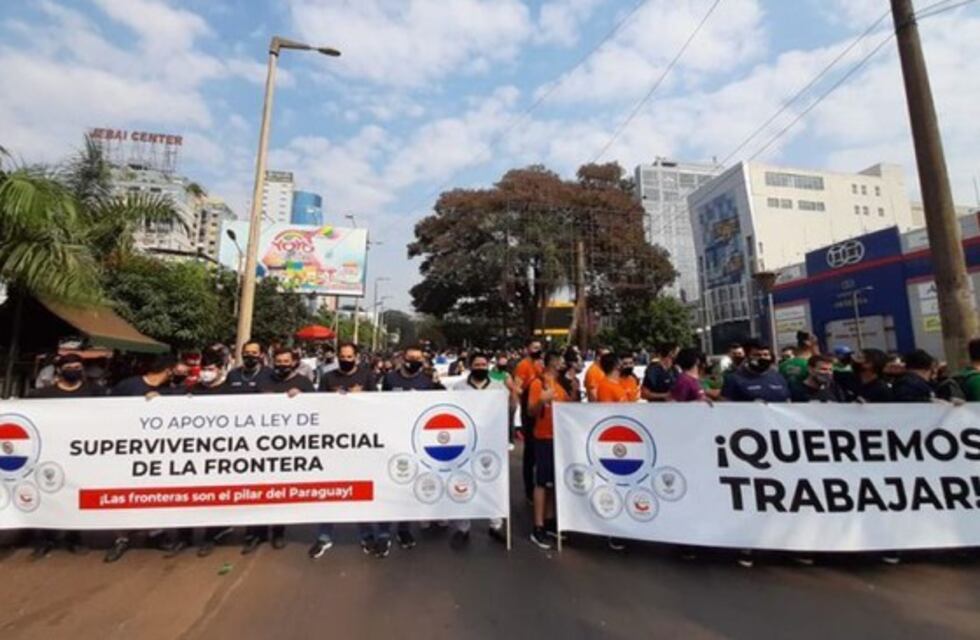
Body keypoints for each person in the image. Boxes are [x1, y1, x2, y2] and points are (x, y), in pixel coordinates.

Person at [104, 354, 180, 563]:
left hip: (154, 452)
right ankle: (121, 538)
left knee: (152, 493)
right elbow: (105, 411)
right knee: (122, 494)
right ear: (167, 370)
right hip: (125, 449)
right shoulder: (128, 386)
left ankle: (155, 533)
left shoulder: (169, 392)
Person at [241, 348, 315, 555]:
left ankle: (278, 531)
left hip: (290, 445)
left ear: (294, 362)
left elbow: (318, 409)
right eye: (279, 361)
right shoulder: (263, 381)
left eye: (286, 361)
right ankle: (255, 532)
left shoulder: (303, 383)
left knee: (280, 491)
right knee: (258, 490)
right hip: (262, 444)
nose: (282, 364)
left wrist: (302, 398)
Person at [309, 342, 377, 559]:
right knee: (328, 489)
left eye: (349, 356)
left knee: (360, 490)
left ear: (356, 357)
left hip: (360, 441)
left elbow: (378, 404)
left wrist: (360, 395)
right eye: (342, 356)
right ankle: (324, 536)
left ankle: (366, 534)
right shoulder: (329, 378)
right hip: (333, 441)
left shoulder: (367, 377)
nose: (345, 359)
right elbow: (319, 405)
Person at [375, 345, 440, 554]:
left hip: (416, 441)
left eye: (418, 358)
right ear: (403, 358)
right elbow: (381, 404)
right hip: (392, 438)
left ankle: (404, 528)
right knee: (388, 484)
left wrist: (437, 386)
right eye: (411, 357)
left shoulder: (427, 381)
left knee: (407, 486)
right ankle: (384, 532)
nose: (414, 361)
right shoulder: (390, 379)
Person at [449, 352, 514, 548]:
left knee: (493, 482)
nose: (480, 367)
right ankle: (463, 528)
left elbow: (508, 411)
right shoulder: (458, 388)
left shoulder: (498, 388)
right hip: (466, 442)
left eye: (484, 364)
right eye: (477, 364)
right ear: (470, 366)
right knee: (463, 483)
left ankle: (495, 525)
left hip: (491, 442)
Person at [527, 351, 570, 550]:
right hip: (543, 438)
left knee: (554, 482)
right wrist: (542, 400)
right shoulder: (538, 384)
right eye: (560, 360)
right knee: (542, 482)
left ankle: (550, 520)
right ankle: (538, 526)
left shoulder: (561, 385)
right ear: (551, 363)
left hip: (559, 439)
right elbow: (530, 411)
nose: (562, 363)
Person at [514, 339, 544, 502]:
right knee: (530, 450)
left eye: (539, 347)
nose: (537, 350)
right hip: (529, 406)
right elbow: (518, 386)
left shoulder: (541, 364)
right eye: (534, 347)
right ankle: (529, 489)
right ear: (527, 349)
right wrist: (524, 401)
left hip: (542, 409)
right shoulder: (523, 365)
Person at [721, 340, 790, 403]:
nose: (762, 358)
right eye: (757, 355)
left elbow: (788, 401)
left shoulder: (778, 377)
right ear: (748, 357)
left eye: (766, 355)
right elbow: (726, 406)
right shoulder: (734, 379)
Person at [30, 354, 104, 399]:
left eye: (77, 367)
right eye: (68, 368)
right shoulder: (44, 394)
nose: (73, 370)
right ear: (59, 370)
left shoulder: (95, 391)